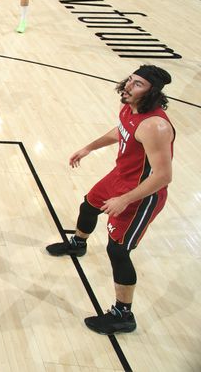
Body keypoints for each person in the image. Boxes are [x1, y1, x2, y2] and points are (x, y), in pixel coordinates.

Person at [46, 65, 174, 335]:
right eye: (130, 79)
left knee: (117, 251)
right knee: (88, 205)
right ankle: (78, 244)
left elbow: (162, 176)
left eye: (137, 84)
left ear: (152, 92)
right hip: (120, 177)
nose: (128, 86)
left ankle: (123, 314)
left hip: (142, 194)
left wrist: (124, 199)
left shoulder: (156, 126)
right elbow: (121, 131)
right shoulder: (130, 108)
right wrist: (89, 148)